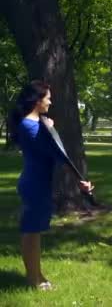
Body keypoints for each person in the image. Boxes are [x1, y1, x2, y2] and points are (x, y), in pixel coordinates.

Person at [8, 81, 94, 290]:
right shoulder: (31, 127)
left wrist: (48, 127)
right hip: (34, 185)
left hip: (37, 183)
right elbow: (55, 154)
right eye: (47, 98)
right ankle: (33, 280)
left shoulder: (35, 124)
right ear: (38, 101)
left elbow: (56, 154)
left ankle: (37, 275)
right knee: (30, 232)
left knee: (34, 232)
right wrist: (49, 129)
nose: (50, 101)